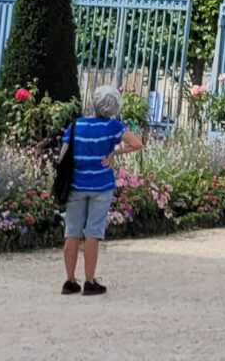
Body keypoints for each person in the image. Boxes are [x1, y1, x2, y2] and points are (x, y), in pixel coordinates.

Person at [62, 86, 142, 295]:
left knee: (71, 232)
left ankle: (70, 281)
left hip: (76, 185)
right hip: (101, 185)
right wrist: (114, 153)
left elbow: (63, 156)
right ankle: (90, 281)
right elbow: (137, 144)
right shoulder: (112, 126)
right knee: (93, 234)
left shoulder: (76, 125)